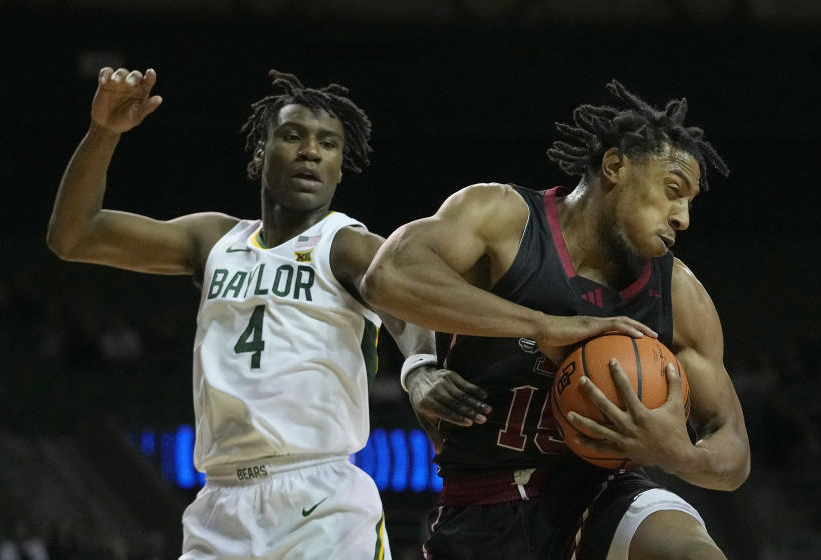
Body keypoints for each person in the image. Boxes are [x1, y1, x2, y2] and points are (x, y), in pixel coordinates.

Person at [47, 67, 481, 559]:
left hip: (319, 496)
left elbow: (411, 311)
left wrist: (421, 368)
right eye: (292, 136)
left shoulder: (347, 245)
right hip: (220, 502)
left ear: (341, 168)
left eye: (329, 144)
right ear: (260, 152)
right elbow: (74, 236)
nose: (311, 151)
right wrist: (103, 132)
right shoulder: (213, 240)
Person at [361, 80, 752, 559]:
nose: (683, 217)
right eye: (673, 192)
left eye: (689, 202)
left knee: (691, 552)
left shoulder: (678, 293)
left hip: (603, 493)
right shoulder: (504, 218)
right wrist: (543, 326)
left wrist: (681, 455)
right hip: (481, 499)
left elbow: (732, 450)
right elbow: (388, 276)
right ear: (615, 166)